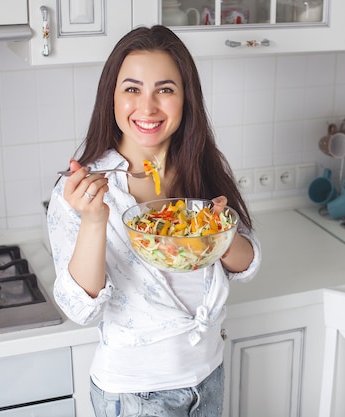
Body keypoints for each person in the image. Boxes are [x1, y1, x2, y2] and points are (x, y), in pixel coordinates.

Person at [47, 25, 261, 417]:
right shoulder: (81, 191)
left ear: (186, 98)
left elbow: (246, 263)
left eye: (165, 89)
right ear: (111, 97)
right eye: (132, 89)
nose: (147, 108)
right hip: (136, 393)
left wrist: (218, 235)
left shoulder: (202, 167)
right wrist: (94, 220)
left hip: (208, 375)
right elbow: (80, 309)